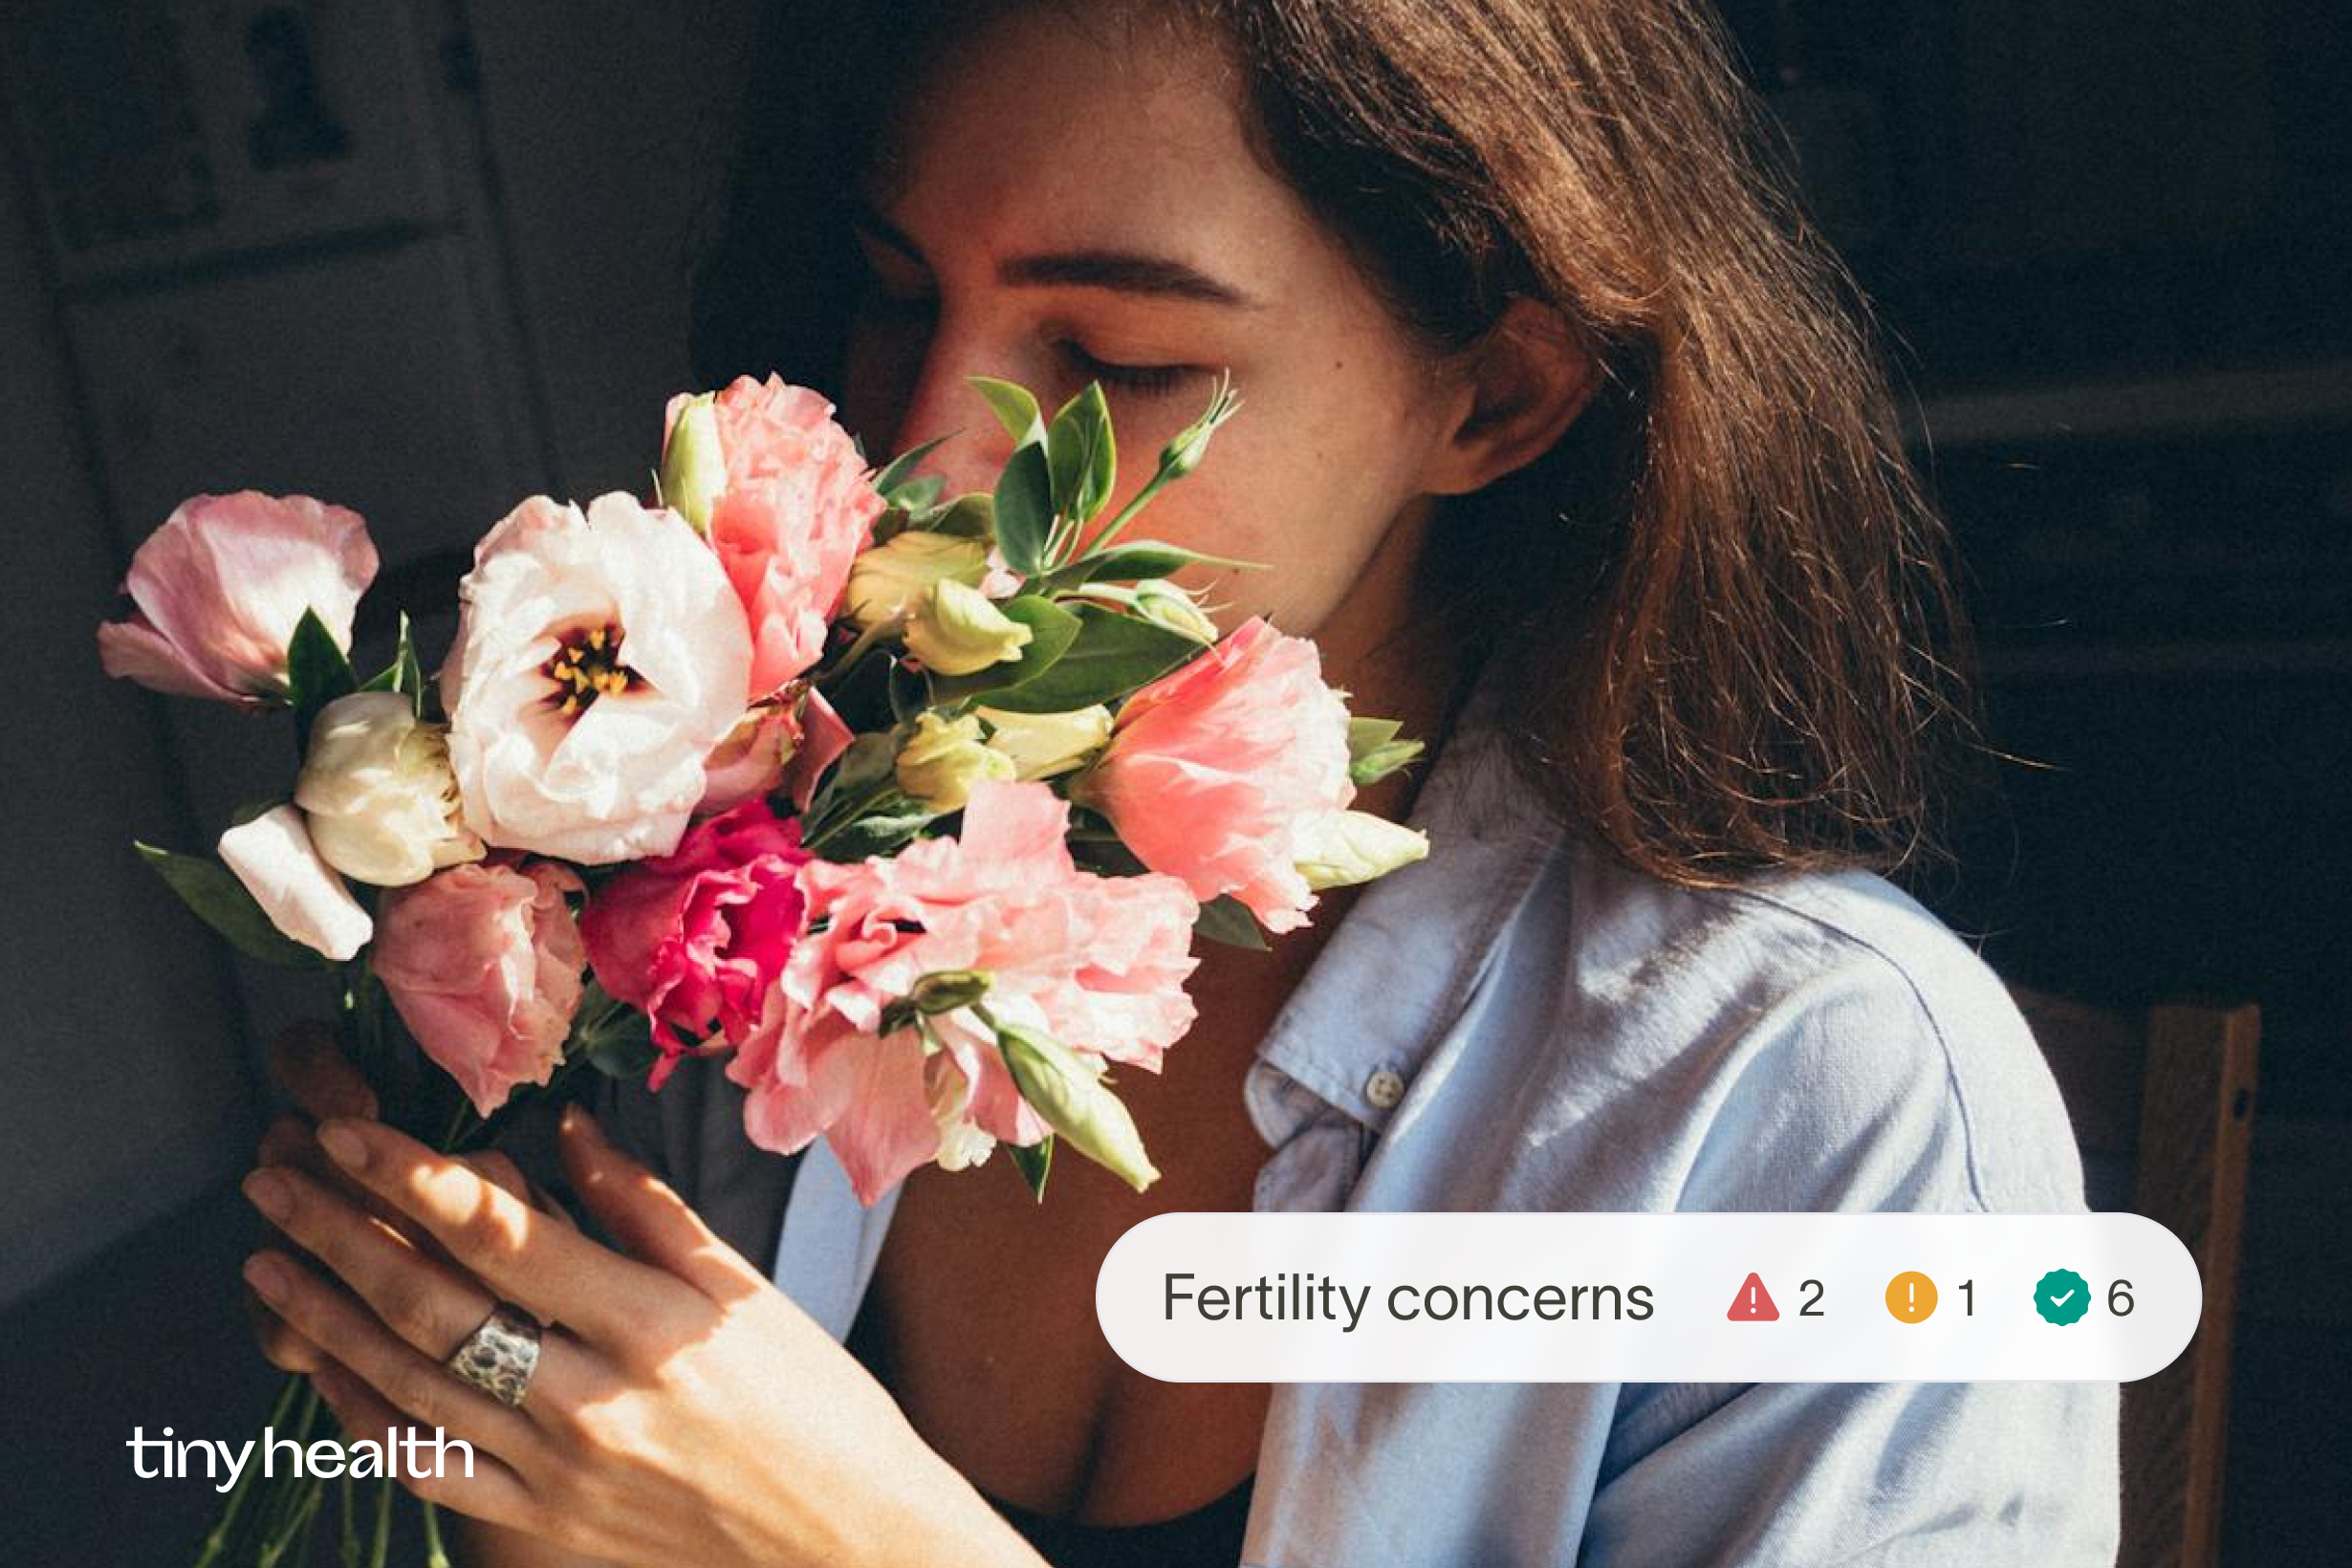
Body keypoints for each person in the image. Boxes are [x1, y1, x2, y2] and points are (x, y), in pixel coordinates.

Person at [239, 1, 2122, 1563]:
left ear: (1497, 397)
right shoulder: (740, 898)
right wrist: (468, 1385)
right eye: (897, 295)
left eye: (1113, 356)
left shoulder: (1816, 1106)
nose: (920, 461)